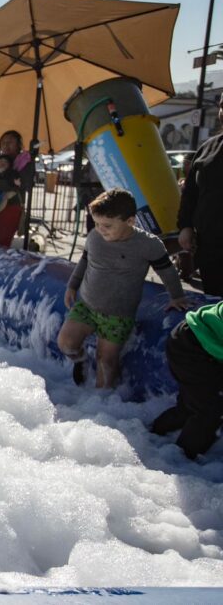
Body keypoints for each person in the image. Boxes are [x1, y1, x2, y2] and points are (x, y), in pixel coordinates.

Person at [58, 189, 192, 389]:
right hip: (86, 304)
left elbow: (167, 271)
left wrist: (177, 296)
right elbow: (85, 261)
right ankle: (81, 360)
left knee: (107, 360)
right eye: (96, 223)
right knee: (66, 343)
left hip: (118, 315)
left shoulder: (148, 244)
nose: (100, 230)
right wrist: (72, 285)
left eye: (107, 226)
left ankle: (102, 400)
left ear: (130, 221)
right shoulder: (95, 237)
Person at [151, 300, 223, 460]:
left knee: (193, 405)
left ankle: (154, 434)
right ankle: (180, 462)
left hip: (192, 338)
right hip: (191, 347)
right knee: (211, 411)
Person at [178, 94, 223, 296]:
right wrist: (185, 226)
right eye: (222, 105)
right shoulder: (208, 148)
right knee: (214, 303)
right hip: (210, 248)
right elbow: (191, 193)